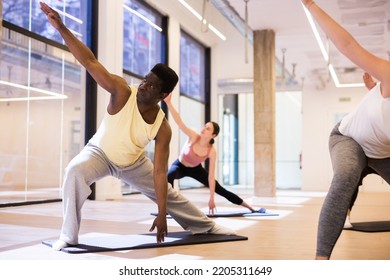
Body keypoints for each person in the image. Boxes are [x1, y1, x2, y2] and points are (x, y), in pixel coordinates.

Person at [40, 2, 235, 251]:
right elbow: (89, 61)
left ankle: (207, 226)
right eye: (145, 79)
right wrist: (61, 27)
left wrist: (162, 213)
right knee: (74, 171)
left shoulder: (163, 128)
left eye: (151, 85)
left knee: (169, 195)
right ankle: (68, 235)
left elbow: (159, 173)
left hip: (133, 164)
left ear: (163, 94)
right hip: (99, 153)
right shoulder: (122, 91)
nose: (143, 86)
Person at [301, 1, 390, 260]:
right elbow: (349, 46)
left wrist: (374, 91)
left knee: (354, 176)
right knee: (347, 175)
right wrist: (310, 4)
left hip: (382, 153)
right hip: (348, 139)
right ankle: (321, 259)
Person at [164, 93, 264, 215]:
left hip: (196, 169)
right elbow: (179, 122)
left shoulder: (211, 150)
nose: (204, 129)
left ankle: (251, 208)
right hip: (180, 166)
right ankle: (169, 208)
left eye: (208, 128)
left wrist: (211, 199)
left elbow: (211, 176)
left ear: (213, 135)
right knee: (169, 176)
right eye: (205, 126)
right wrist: (168, 103)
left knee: (220, 189)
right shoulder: (193, 136)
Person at [343, 73, 378, 229]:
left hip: (382, 152)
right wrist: (372, 89)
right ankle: (345, 217)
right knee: (350, 182)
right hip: (362, 149)